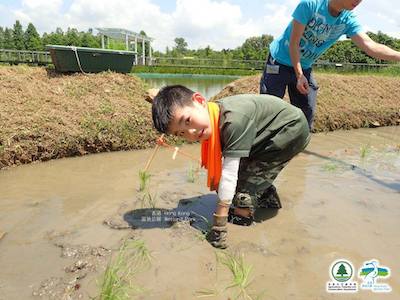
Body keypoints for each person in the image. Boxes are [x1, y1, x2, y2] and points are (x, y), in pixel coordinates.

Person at [151, 85, 310, 249]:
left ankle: (244, 216)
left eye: (187, 121)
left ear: (199, 101)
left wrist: (219, 223)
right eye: (181, 134)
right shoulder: (213, 114)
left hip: (290, 131)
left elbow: (229, 175)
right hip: (264, 135)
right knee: (238, 178)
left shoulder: (233, 120)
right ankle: (266, 197)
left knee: (241, 193)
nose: (191, 132)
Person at [260, 0, 400, 129]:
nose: (359, 0)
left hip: (305, 66)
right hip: (280, 61)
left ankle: (294, 150)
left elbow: (370, 46)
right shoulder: (310, 5)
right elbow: (294, 43)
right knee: (269, 113)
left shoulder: (347, 19)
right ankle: (257, 152)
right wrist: (299, 75)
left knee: (306, 115)